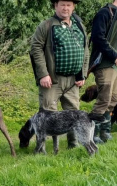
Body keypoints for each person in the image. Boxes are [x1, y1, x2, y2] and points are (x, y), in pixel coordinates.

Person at [30, 0, 88, 148]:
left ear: (73, 7)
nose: (65, 8)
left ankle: (73, 145)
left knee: (74, 112)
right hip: (52, 80)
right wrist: (43, 74)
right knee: (47, 113)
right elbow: (35, 48)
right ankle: (42, 148)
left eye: (69, 5)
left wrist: (83, 74)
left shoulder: (79, 25)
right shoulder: (46, 25)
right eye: (62, 4)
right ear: (55, 6)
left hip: (73, 79)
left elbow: (85, 50)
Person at [89, 0, 117, 144]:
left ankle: (105, 132)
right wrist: (114, 55)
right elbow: (97, 38)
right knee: (104, 99)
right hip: (104, 64)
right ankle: (92, 134)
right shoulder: (104, 13)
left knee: (114, 99)